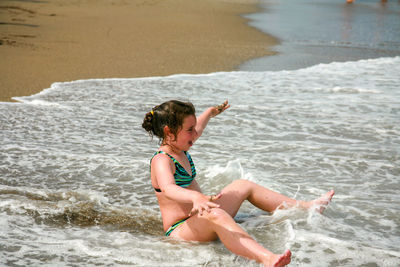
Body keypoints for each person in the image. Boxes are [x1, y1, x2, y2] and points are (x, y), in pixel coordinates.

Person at [142, 100, 334, 267]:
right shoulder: (162, 159)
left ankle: (308, 207)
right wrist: (196, 197)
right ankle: (266, 259)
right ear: (169, 131)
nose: (195, 134)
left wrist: (210, 112)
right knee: (215, 214)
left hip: (199, 214)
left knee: (242, 185)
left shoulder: (180, 144)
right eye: (189, 130)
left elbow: (198, 128)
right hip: (182, 229)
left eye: (194, 128)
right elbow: (168, 188)